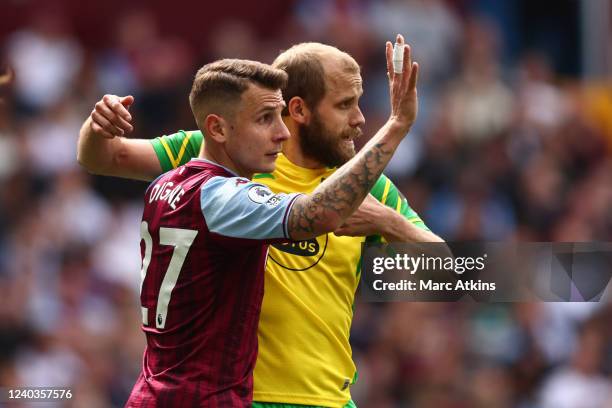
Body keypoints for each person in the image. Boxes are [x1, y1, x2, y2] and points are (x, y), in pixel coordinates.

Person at [79, 35, 442, 407]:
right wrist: (97, 126)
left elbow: (458, 274)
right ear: (299, 110)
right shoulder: (229, 153)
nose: (360, 119)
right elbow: (104, 158)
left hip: (325, 399)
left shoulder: (368, 185)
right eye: (345, 105)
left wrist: (390, 223)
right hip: (236, 396)